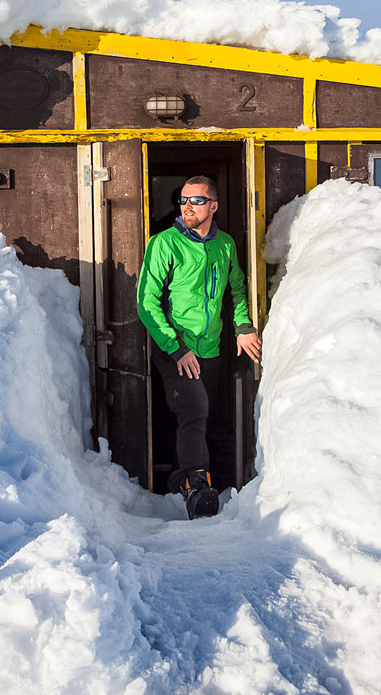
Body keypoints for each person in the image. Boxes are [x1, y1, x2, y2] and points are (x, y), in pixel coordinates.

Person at [136, 175, 262, 519]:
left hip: (210, 349)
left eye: (196, 200)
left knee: (205, 417)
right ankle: (195, 486)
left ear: (214, 206)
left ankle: (193, 482)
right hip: (175, 348)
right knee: (194, 411)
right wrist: (175, 347)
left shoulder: (225, 245)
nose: (187, 206)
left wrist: (243, 326)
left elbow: (237, 289)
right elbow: (146, 302)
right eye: (183, 200)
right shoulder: (165, 243)